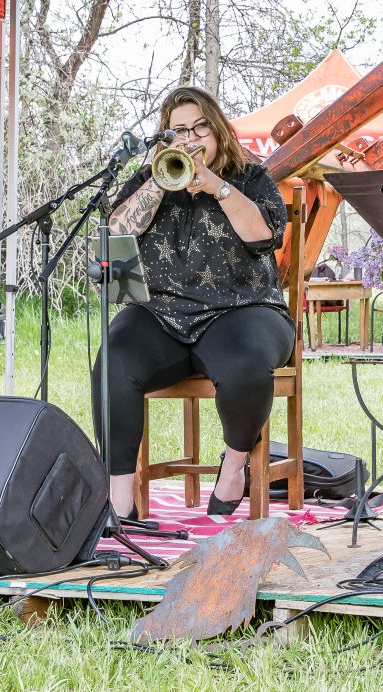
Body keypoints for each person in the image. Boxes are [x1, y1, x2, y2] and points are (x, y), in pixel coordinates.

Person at [93, 87, 295, 518]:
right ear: (166, 140)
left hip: (243, 309)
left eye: (200, 127)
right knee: (114, 361)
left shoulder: (250, 177)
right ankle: (119, 500)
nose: (192, 137)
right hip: (159, 312)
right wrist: (159, 184)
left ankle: (235, 465)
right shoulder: (153, 178)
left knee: (246, 363)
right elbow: (116, 234)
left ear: (218, 130)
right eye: (180, 130)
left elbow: (263, 235)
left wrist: (215, 186)